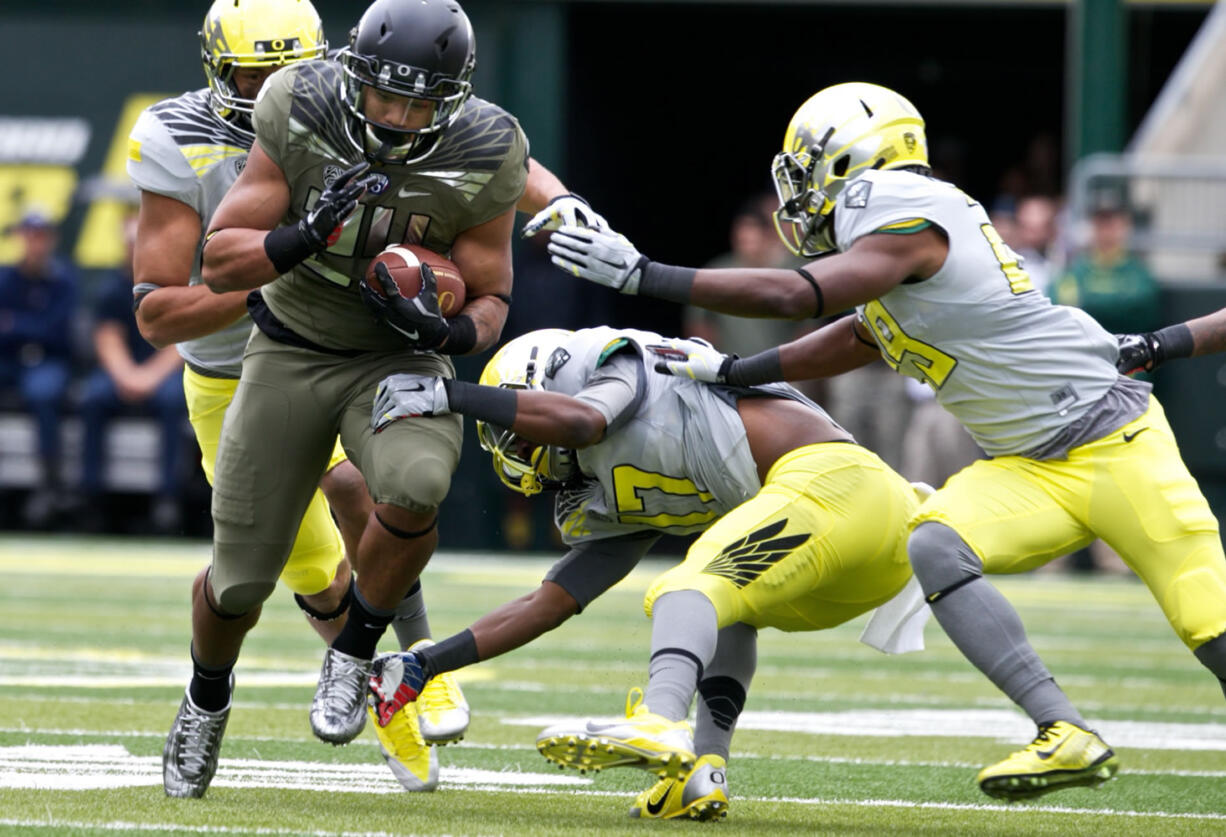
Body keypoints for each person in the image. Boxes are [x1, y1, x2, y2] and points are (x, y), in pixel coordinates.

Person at [545, 81, 1226, 801]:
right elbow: (861, 332)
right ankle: (1064, 731)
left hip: (1117, 441)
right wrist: (738, 367)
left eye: (809, 169)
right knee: (933, 540)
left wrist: (645, 273)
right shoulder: (900, 246)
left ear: (854, 160)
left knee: (1209, 627)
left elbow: (799, 295)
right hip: (1031, 466)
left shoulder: (901, 206)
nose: (801, 194)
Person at [158, 0, 602, 800]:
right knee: (240, 580)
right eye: (384, 96)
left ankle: (356, 646)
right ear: (353, 78)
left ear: (455, 99)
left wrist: (446, 327)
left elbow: (493, 298)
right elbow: (222, 262)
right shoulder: (301, 104)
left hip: (398, 356)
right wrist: (302, 235)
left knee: (413, 482)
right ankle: (205, 698)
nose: (398, 117)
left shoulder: (487, 145)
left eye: (420, 101)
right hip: (291, 347)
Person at [363, 326, 928, 820]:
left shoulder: (614, 362)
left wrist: (452, 394)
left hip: (850, 487)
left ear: (548, 382)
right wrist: (423, 666)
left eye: (520, 425)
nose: (519, 444)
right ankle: (703, 773)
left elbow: (585, 419)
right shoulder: (601, 487)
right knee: (724, 607)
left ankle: (660, 719)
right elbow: (552, 600)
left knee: (686, 585)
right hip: (851, 571)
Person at [78, 210, 188, 533]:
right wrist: (128, 377)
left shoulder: (174, 281)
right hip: (123, 372)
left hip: (163, 372)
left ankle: (169, 498)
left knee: (174, 402)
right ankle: (91, 495)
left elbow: (182, 341)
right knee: (92, 398)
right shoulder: (112, 289)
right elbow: (107, 338)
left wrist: (149, 378)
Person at [0, 209, 78, 528]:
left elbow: (58, 332)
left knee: (44, 393)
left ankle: (49, 483)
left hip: (49, 360)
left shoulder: (64, 279)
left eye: (41, 235)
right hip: (10, 361)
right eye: (30, 235)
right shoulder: (6, 278)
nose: (35, 242)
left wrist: (16, 325)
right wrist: (32, 328)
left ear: (52, 239)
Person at [1050, 189, 1161, 336]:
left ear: (1125, 225)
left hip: (1127, 350)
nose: (1106, 231)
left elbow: (1143, 308)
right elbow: (1059, 305)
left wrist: (1086, 303)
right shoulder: (1076, 270)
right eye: (1100, 223)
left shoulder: (1138, 272)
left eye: (1112, 223)